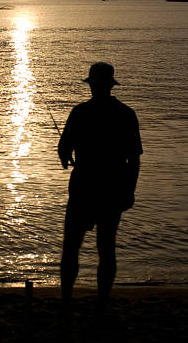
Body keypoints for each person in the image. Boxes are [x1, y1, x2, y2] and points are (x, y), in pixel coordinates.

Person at [58, 62, 142, 305]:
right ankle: (103, 301)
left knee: (72, 246)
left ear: (92, 85)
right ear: (111, 85)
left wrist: (66, 159)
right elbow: (133, 158)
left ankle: (66, 300)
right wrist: (130, 190)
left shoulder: (79, 112)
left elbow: (63, 151)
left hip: (83, 187)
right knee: (106, 247)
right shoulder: (126, 114)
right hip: (113, 188)